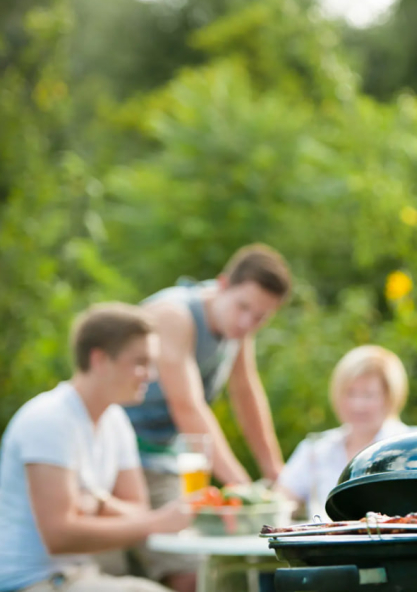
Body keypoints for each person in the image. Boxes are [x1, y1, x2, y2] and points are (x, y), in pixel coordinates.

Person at [123, 243, 291, 592]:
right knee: (153, 569)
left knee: (198, 574)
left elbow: (246, 394)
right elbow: (189, 408)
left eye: (260, 317)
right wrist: (246, 491)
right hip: (116, 457)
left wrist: (276, 473)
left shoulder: (237, 327)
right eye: (244, 308)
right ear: (223, 284)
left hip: (160, 459)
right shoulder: (175, 316)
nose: (248, 322)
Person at [0, 303, 192, 592]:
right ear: (100, 359)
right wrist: (157, 523)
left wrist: (99, 500)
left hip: (78, 577)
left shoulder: (115, 419)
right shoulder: (49, 419)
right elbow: (60, 537)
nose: (150, 375)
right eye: (140, 362)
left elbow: (136, 508)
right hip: (29, 583)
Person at [277, 345, 417, 520]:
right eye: (350, 393)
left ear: (389, 397)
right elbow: (279, 504)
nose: (357, 405)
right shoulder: (315, 450)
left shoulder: (415, 446)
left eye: (368, 395)